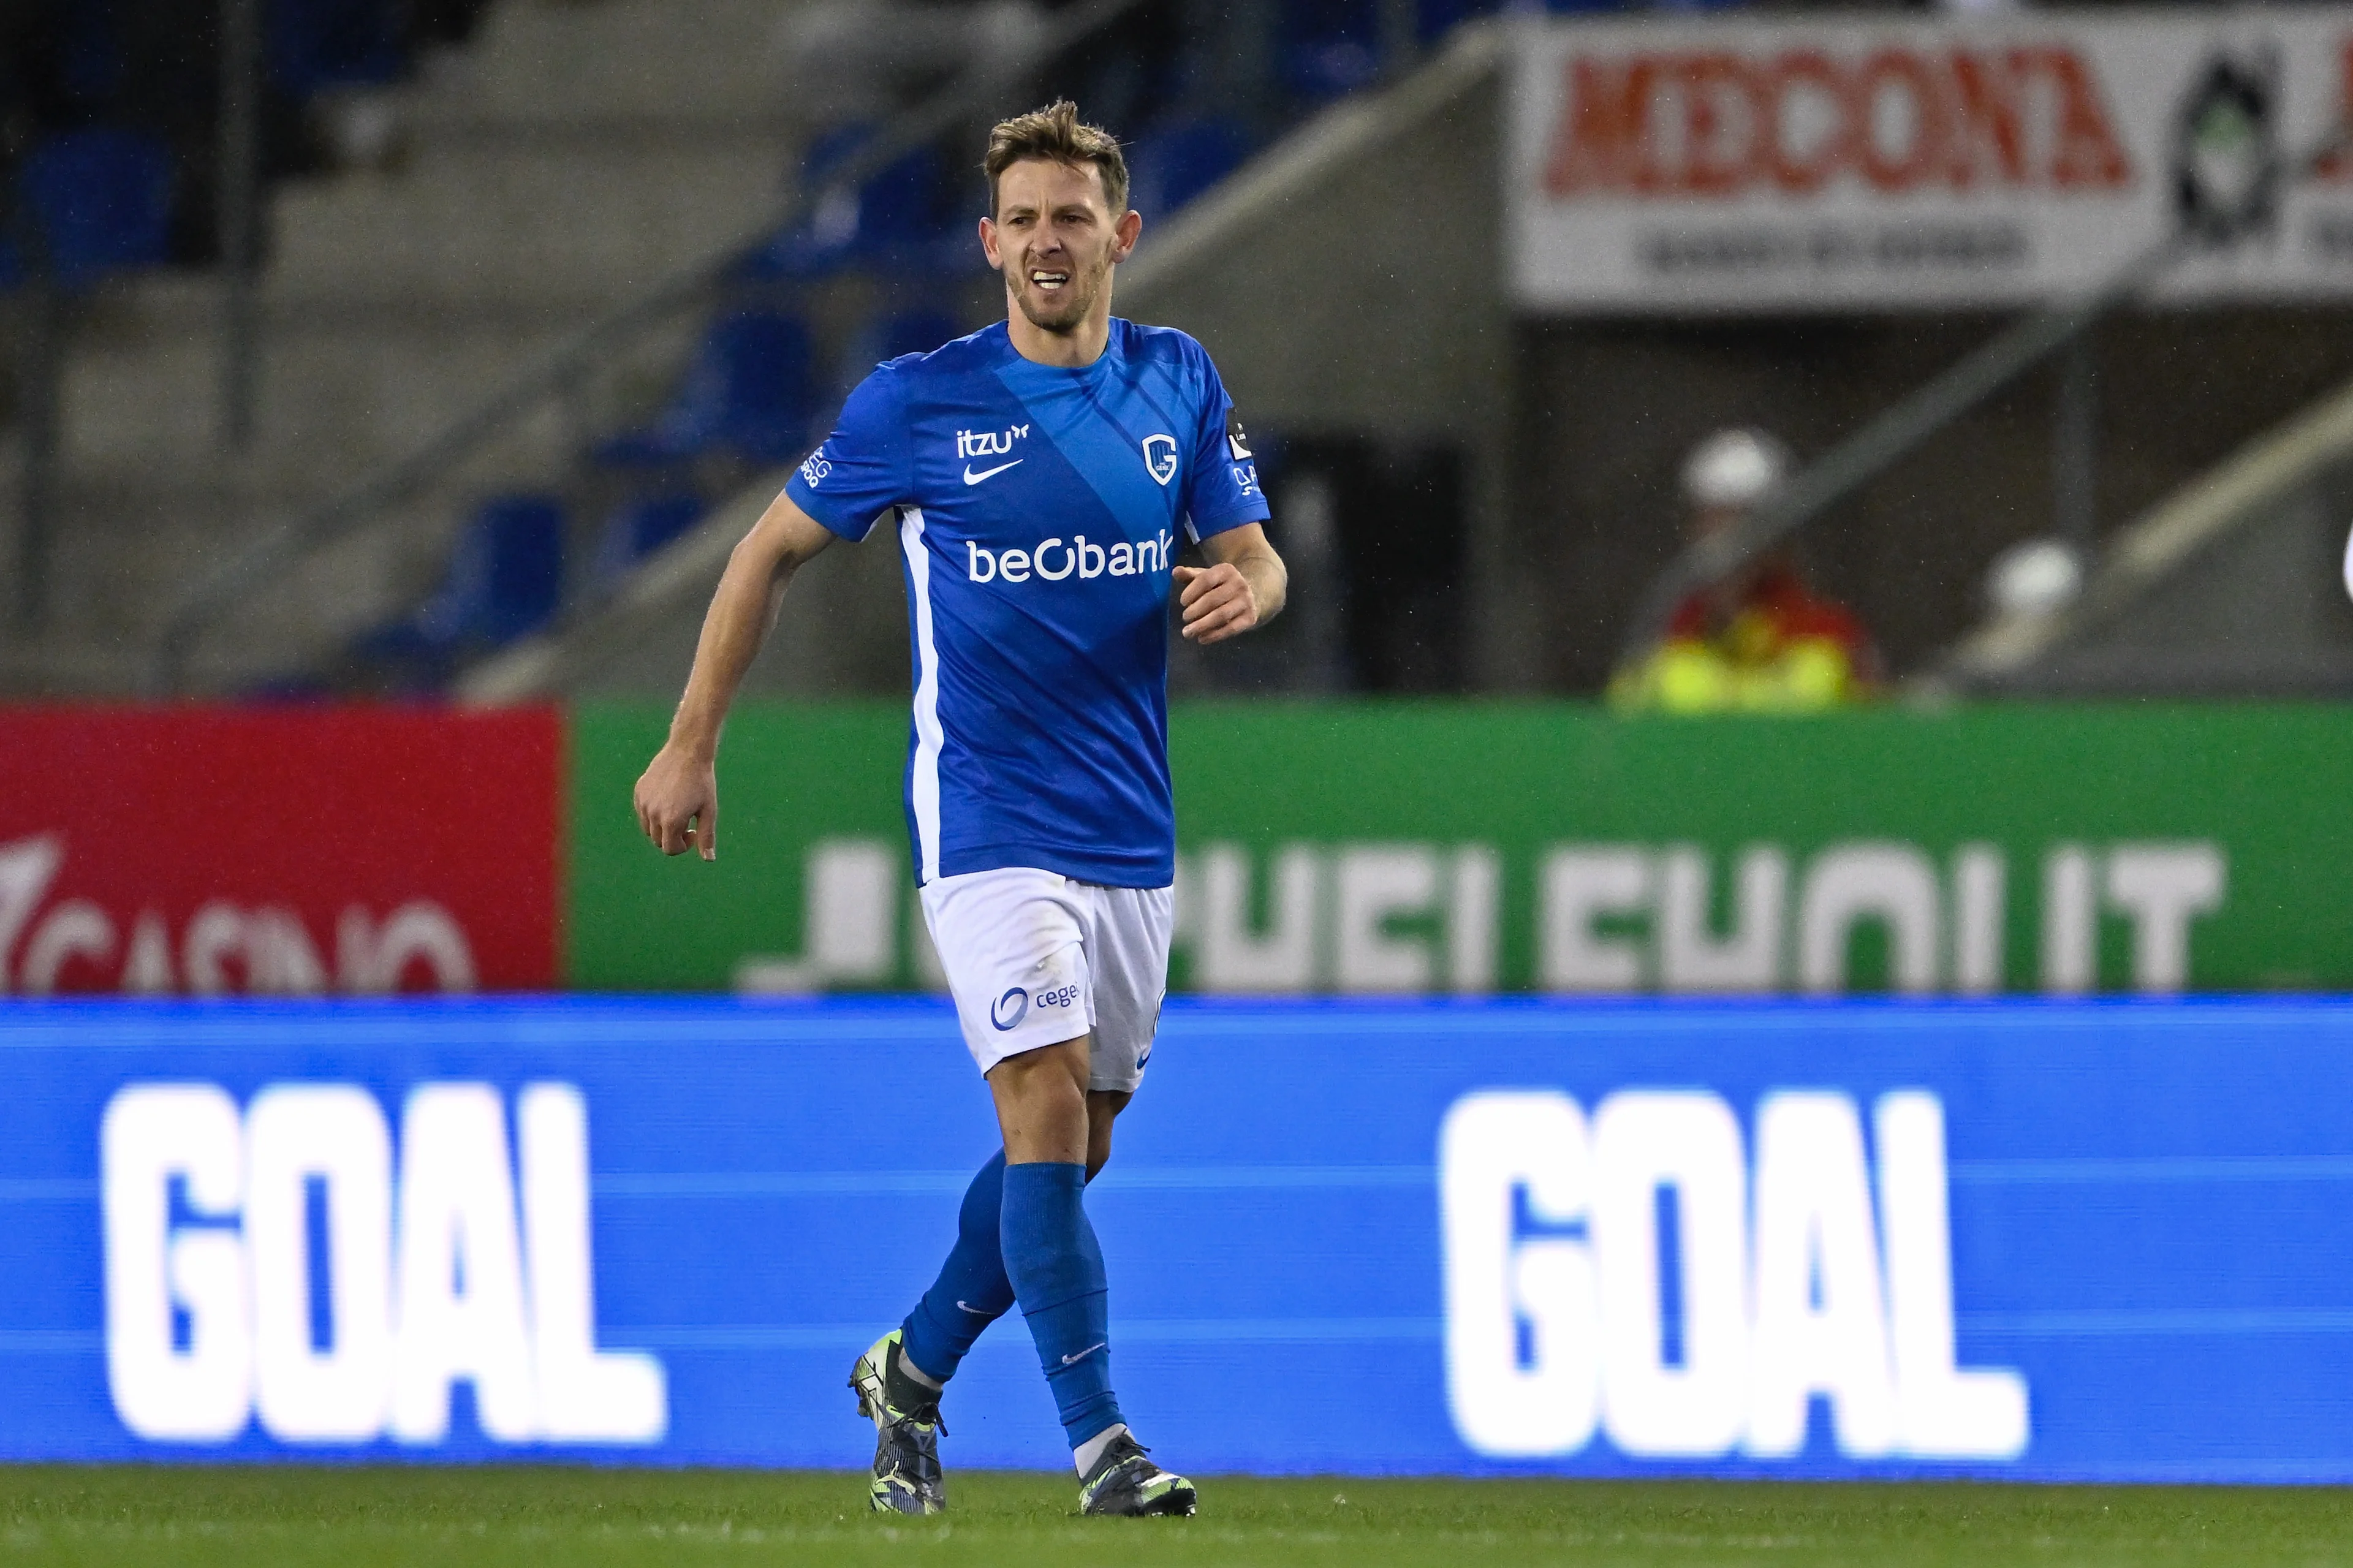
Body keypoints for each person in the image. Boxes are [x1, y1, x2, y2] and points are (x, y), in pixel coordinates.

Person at [632, 100, 1286, 1518]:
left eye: (1073, 217)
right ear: (989, 242)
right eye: (1024, 220)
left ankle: (912, 1369)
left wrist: (1249, 582)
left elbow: (1252, 548)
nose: (1048, 242)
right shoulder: (918, 404)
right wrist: (692, 743)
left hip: (1129, 827)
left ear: (1121, 232)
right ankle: (1102, 1440)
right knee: (1044, 1111)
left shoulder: (1177, 381)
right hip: (987, 819)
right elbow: (763, 554)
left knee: (1075, 1144)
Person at [1609, 427, 1881, 713]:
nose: (1727, 538)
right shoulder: (1664, 638)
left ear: (1779, 534)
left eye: (1743, 520)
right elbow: (1622, 738)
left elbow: (1872, 737)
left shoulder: (1831, 634)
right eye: (1712, 520)